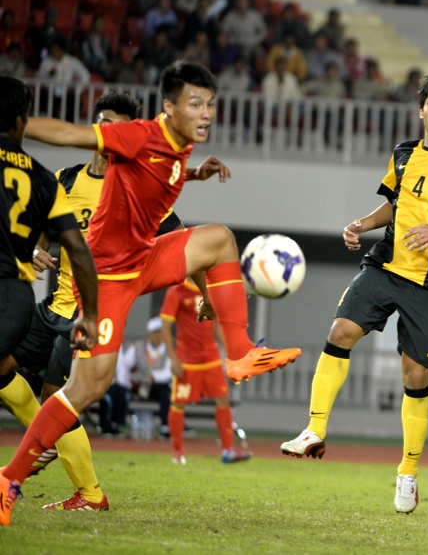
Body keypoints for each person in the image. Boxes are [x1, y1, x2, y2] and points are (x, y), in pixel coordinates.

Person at [0, 61, 301, 526]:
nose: (206, 113)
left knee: (220, 239)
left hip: (143, 256)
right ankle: (9, 478)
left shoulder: (180, 145)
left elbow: (160, 172)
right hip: (106, 275)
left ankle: (240, 352)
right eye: (195, 104)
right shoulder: (140, 135)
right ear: (170, 107)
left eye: (210, 104)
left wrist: (195, 174)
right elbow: (67, 133)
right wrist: (12, 129)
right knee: (87, 387)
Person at [280, 71, 428, 515]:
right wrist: (362, 223)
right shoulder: (402, 153)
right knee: (340, 331)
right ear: (420, 111)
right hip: (385, 265)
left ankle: (408, 472)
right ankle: (314, 429)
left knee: (415, 377)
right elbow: (393, 204)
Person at [0, 75, 98, 522]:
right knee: (10, 374)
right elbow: (69, 245)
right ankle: (46, 441)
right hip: (27, 301)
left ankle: (79, 481)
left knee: (58, 398)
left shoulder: (126, 188)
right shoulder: (49, 177)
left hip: (55, 306)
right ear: (23, 120)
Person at [161, 279, 253, 464]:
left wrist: (230, 352)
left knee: (223, 399)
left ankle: (228, 450)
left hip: (210, 357)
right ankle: (177, 452)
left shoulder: (211, 289)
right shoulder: (177, 291)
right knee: (178, 403)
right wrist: (173, 358)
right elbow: (165, 326)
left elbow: (217, 324)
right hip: (187, 359)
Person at [143, 316, 172, 438]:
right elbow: (126, 365)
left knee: (165, 393)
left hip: (159, 386)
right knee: (120, 390)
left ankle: (166, 426)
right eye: (155, 333)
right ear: (149, 334)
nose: (158, 336)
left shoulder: (169, 350)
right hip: (142, 385)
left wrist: (153, 376)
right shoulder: (139, 347)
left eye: (160, 333)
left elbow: (168, 372)